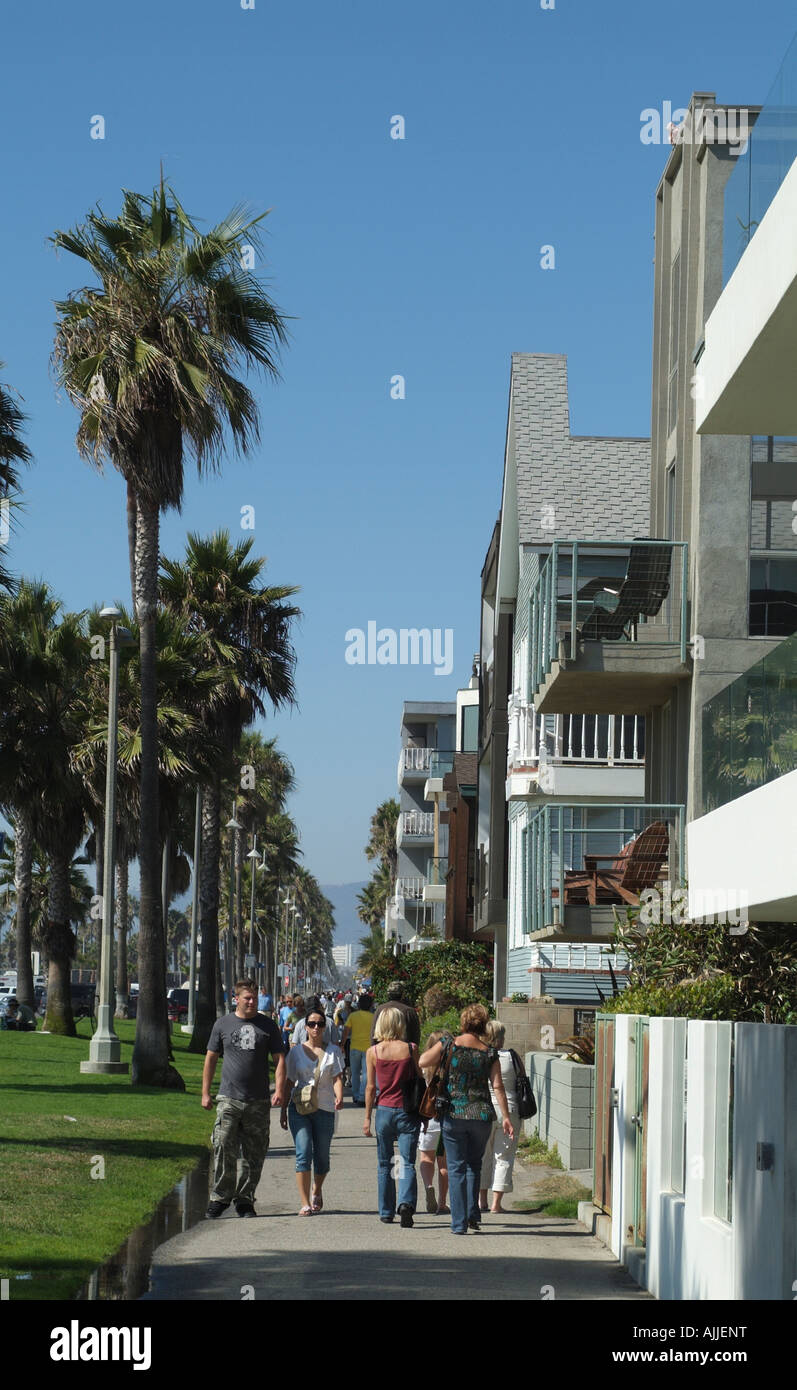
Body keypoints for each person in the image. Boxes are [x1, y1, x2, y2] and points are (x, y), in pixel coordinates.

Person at [419, 1003, 514, 1236]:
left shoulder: (449, 1044)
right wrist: (506, 1118)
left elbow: (422, 1061)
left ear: (463, 1023)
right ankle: (473, 1213)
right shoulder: (490, 1052)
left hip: (454, 1113)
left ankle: (459, 1223)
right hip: (481, 1115)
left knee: (456, 1167)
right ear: (483, 1025)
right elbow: (498, 1087)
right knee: (474, 1165)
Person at [202, 978, 287, 1219]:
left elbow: (280, 1059)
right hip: (229, 1097)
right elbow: (210, 1058)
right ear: (236, 999)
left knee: (254, 1153)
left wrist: (278, 1090)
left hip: (258, 1100)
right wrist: (206, 1093)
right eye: (247, 998)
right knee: (223, 1145)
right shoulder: (223, 1024)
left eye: (254, 998)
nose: (251, 1002)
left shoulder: (268, 1026)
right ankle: (220, 1198)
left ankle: (245, 1199)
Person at [363, 1007, 423, 1226]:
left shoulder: (373, 1052)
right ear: (400, 1024)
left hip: (384, 1111)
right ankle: (405, 1203)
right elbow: (419, 1077)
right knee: (407, 1161)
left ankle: (386, 1211)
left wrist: (368, 1117)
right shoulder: (411, 1048)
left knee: (384, 1163)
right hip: (407, 1110)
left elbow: (370, 1087)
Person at [281, 1007, 344, 1215]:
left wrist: (339, 1096)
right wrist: (282, 1109)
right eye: (312, 1024)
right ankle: (305, 1202)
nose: (316, 1028)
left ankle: (317, 1189)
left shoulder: (334, 1051)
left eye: (320, 1024)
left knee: (323, 1157)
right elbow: (289, 1081)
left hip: (325, 1107)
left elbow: (336, 1077)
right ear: (305, 1027)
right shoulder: (296, 1052)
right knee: (304, 1152)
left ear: (325, 1027)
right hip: (299, 1107)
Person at [478, 1019, 521, 1213]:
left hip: (484, 1109)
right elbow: (522, 1081)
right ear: (499, 1037)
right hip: (508, 1108)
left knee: (483, 1155)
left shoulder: (480, 1055)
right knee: (503, 1155)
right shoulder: (512, 1057)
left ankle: (482, 1200)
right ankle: (496, 1203)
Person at [417, 1030, 449, 1215]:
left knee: (426, 1158)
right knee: (443, 1163)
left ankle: (429, 1186)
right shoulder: (450, 1069)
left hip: (427, 1119)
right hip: (445, 1119)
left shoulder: (423, 1069)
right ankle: (443, 1202)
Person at [342, 993, 375, 1105]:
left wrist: (342, 1045)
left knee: (355, 1073)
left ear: (359, 1004)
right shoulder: (373, 1017)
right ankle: (362, 1097)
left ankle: (355, 1096)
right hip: (368, 1050)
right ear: (370, 1005)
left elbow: (346, 1031)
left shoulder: (353, 1016)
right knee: (366, 1074)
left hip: (354, 1048)